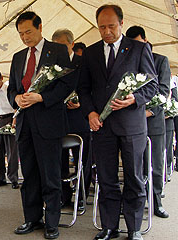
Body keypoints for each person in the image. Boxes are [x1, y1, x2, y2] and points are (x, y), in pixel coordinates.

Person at [77, 5, 158, 240]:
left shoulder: (139, 49)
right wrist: (90, 113)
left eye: (111, 26)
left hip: (132, 125)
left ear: (121, 23)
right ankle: (109, 226)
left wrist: (135, 99)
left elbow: (152, 85)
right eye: (102, 27)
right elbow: (83, 89)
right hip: (102, 127)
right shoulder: (91, 53)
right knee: (106, 177)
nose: (107, 31)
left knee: (133, 177)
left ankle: (134, 229)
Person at [7, 11, 75, 239]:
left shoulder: (57, 51)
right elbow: (11, 89)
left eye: (28, 31)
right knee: (30, 174)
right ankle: (32, 219)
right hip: (25, 123)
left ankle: (52, 223)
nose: (25, 37)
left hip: (48, 121)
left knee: (50, 174)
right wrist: (16, 98)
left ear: (40, 27)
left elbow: (67, 84)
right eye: (21, 34)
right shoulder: (17, 57)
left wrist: (42, 98)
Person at [126, 25, 170, 219]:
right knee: (134, 166)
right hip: (131, 122)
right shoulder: (128, 61)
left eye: (137, 43)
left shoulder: (160, 61)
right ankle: (135, 202)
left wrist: (148, 111)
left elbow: (163, 91)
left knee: (155, 166)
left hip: (153, 122)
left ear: (145, 40)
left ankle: (157, 202)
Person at [52, 28, 91, 210]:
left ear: (72, 44)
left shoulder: (84, 63)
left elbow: (91, 89)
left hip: (80, 119)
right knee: (59, 161)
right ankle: (64, 195)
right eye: (56, 46)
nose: (59, 50)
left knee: (81, 160)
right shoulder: (51, 65)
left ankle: (81, 195)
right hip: (58, 119)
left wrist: (81, 104)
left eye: (63, 46)